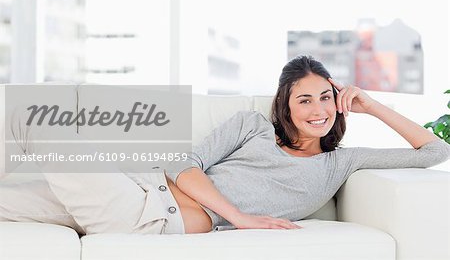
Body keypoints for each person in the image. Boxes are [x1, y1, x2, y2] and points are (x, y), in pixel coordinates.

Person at [1, 55, 449, 235]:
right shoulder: (252, 126)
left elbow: (435, 152)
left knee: (32, 115)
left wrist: (370, 105)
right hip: (132, 184)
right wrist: (240, 217)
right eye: (304, 99)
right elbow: (183, 162)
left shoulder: (340, 164)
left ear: (338, 104)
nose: (317, 109)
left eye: (326, 97)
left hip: (151, 217)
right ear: (286, 106)